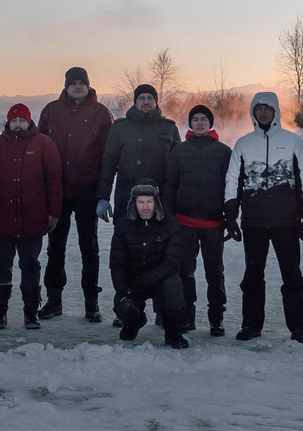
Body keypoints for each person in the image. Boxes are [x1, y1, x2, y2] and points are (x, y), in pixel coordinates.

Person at [223, 90, 303, 342]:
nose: (263, 113)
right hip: (253, 221)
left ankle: (298, 326)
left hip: (286, 221)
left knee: (292, 273)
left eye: (268, 109)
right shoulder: (243, 144)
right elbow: (233, 180)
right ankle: (251, 325)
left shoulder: (293, 141)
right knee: (253, 275)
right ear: (253, 113)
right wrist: (230, 216)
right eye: (258, 109)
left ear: (276, 112)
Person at [0, 102, 61, 329]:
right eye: (14, 120)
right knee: (2, 263)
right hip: (3, 214)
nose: (18, 124)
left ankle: (31, 313)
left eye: (22, 120)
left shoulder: (43, 143)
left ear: (29, 121)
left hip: (33, 215)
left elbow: (54, 180)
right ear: (8, 122)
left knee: (30, 263)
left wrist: (54, 213)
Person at [38, 66, 114, 322]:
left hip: (87, 189)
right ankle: (54, 299)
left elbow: (108, 157)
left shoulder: (102, 113)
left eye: (82, 82)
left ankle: (91, 302)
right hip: (57, 190)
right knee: (55, 247)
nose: (78, 86)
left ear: (88, 85)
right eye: (74, 83)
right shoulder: (51, 110)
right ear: (67, 85)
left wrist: (104, 194)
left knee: (89, 247)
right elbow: (39, 149)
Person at [163, 103, 233, 336]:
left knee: (215, 272)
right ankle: (187, 316)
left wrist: (230, 217)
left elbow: (231, 188)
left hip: (213, 224)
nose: (200, 122)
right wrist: (170, 217)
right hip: (185, 222)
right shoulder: (179, 151)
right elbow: (170, 185)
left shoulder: (223, 152)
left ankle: (216, 319)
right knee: (185, 272)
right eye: (195, 119)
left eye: (204, 119)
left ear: (210, 123)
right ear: (190, 123)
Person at [109, 183, 190, 347]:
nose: (145, 207)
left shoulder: (170, 224)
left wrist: (144, 280)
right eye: (140, 202)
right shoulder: (123, 225)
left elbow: (172, 263)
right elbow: (116, 263)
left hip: (162, 278)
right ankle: (134, 322)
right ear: (134, 203)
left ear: (156, 203)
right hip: (134, 280)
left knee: (174, 289)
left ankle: (173, 333)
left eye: (149, 202)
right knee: (121, 305)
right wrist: (124, 291)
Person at [97, 82, 181, 221]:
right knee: (124, 240)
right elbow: (108, 164)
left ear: (156, 102)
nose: (146, 101)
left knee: (159, 240)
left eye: (150, 98)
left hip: (160, 198)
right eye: (142, 98)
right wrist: (103, 198)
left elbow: (179, 166)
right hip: (126, 196)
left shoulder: (169, 128)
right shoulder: (120, 128)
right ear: (135, 101)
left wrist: (178, 199)